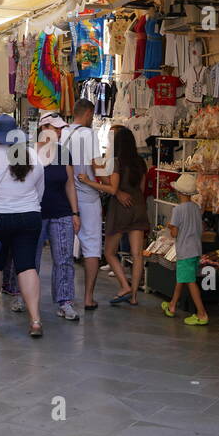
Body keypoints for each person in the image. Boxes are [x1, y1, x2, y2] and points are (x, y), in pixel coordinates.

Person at [0, 114, 47, 337]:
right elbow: (40, 191)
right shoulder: (32, 155)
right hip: (29, 216)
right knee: (26, 266)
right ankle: (35, 319)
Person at [80, 124, 149, 306]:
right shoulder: (141, 163)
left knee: (109, 252)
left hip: (120, 209)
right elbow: (141, 189)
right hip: (138, 206)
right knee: (137, 255)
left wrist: (88, 182)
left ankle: (124, 285)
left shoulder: (116, 162)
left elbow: (113, 188)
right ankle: (133, 296)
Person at [37, 113, 82, 321]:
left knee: (64, 258)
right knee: (30, 258)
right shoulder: (29, 152)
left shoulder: (64, 153)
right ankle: (23, 296)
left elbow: (70, 183)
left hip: (61, 211)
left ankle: (65, 301)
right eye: (55, 128)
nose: (59, 132)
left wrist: (75, 212)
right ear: (43, 127)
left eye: (60, 129)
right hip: (35, 212)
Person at [62, 99, 104, 310]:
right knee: (92, 247)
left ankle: (65, 297)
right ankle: (88, 297)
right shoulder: (89, 135)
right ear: (88, 113)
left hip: (65, 197)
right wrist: (107, 183)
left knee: (64, 247)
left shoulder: (62, 133)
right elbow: (96, 165)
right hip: (88, 197)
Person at [161, 172, 208, 325]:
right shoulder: (196, 208)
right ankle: (172, 305)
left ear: (178, 191)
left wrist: (170, 226)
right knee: (183, 278)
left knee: (190, 281)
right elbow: (200, 228)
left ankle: (202, 314)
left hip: (184, 250)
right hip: (195, 249)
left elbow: (174, 233)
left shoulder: (177, 210)